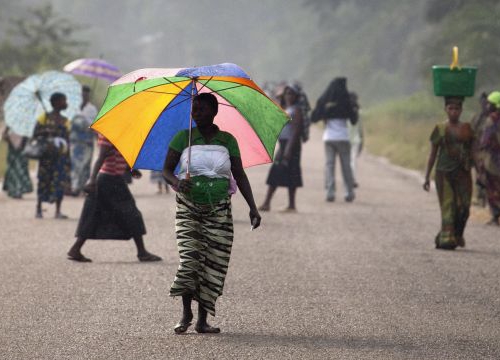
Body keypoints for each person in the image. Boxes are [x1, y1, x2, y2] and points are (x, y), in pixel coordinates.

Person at [163, 93, 261, 334]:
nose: (196, 112)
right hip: (188, 207)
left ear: (214, 111)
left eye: (202, 108)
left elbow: (239, 174)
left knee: (213, 263)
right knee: (190, 259)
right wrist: (176, 181)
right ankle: (186, 313)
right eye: (194, 109)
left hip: (219, 210)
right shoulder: (182, 138)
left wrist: (253, 206)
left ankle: (202, 320)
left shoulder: (227, 140)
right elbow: (165, 170)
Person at [67, 133, 162, 263]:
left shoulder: (120, 136)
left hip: (113, 179)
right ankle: (142, 252)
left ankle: (75, 249)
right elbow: (100, 158)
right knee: (131, 214)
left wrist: (130, 169)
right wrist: (92, 180)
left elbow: (119, 154)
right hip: (107, 180)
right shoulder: (108, 136)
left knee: (95, 215)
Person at [423, 96, 474, 250]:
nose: (453, 112)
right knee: (448, 207)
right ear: (445, 109)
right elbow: (433, 154)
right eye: (450, 108)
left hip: (463, 173)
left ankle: (457, 234)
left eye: (456, 109)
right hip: (443, 173)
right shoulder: (440, 129)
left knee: (464, 207)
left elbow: (474, 151)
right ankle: (446, 238)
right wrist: (426, 176)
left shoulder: (467, 128)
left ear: (461, 110)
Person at [311, 77, 358, 202]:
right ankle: (349, 192)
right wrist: (354, 108)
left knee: (329, 165)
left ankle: (330, 192)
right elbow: (354, 120)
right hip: (343, 137)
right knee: (346, 166)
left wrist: (326, 110)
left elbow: (314, 117)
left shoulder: (326, 102)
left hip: (329, 138)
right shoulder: (347, 102)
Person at [258, 84, 304, 212]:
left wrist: (288, 150)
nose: (288, 96)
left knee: (286, 172)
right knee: (282, 172)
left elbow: (296, 131)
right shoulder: (286, 108)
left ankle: (270, 203)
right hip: (284, 144)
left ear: (296, 96)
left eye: (291, 94)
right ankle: (286, 204)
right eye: (287, 93)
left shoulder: (296, 110)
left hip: (291, 145)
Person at [33, 92, 71, 219]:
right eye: (63, 100)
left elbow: (68, 140)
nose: (65, 103)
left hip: (60, 157)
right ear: (55, 102)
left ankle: (58, 211)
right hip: (46, 157)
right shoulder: (43, 118)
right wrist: (45, 131)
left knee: (59, 182)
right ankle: (38, 209)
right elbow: (35, 134)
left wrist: (68, 159)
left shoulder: (65, 121)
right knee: (43, 181)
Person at [69, 85, 98, 196]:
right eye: (81, 94)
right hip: (75, 141)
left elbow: (94, 125)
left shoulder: (92, 109)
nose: (83, 96)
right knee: (75, 165)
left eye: (85, 94)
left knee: (85, 165)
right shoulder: (73, 108)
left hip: (87, 142)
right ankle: (75, 187)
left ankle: (84, 187)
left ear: (88, 95)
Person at [477, 91, 500, 226]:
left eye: (490, 104)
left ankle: (495, 214)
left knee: (491, 187)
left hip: (493, 160)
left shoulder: (491, 120)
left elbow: (484, 141)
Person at [1, 127, 33, 198]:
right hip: (15, 154)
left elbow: (4, 137)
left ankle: (16, 190)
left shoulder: (12, 125)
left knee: (16, 171)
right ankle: (16, 190)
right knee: (15, 171)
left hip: (19, 153)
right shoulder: (25, 126)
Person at [470, 92, 489, 207]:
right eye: (482, 102)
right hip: (478, 150)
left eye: (485, 102)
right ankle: (481, 198)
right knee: (479, 174)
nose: (483, 104)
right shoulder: (477, 117)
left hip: (488, 151)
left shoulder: (492, 117)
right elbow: (472, 133)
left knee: (488, 174)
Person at [347, 92, 363, 188]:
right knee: (352, 161)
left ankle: (349, 179)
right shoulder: (359, 112)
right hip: (356, 139)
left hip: (346, 138)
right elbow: (360, 128)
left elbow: (291, 119)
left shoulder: (293, 109)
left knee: (348, 161)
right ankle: (351, 178)